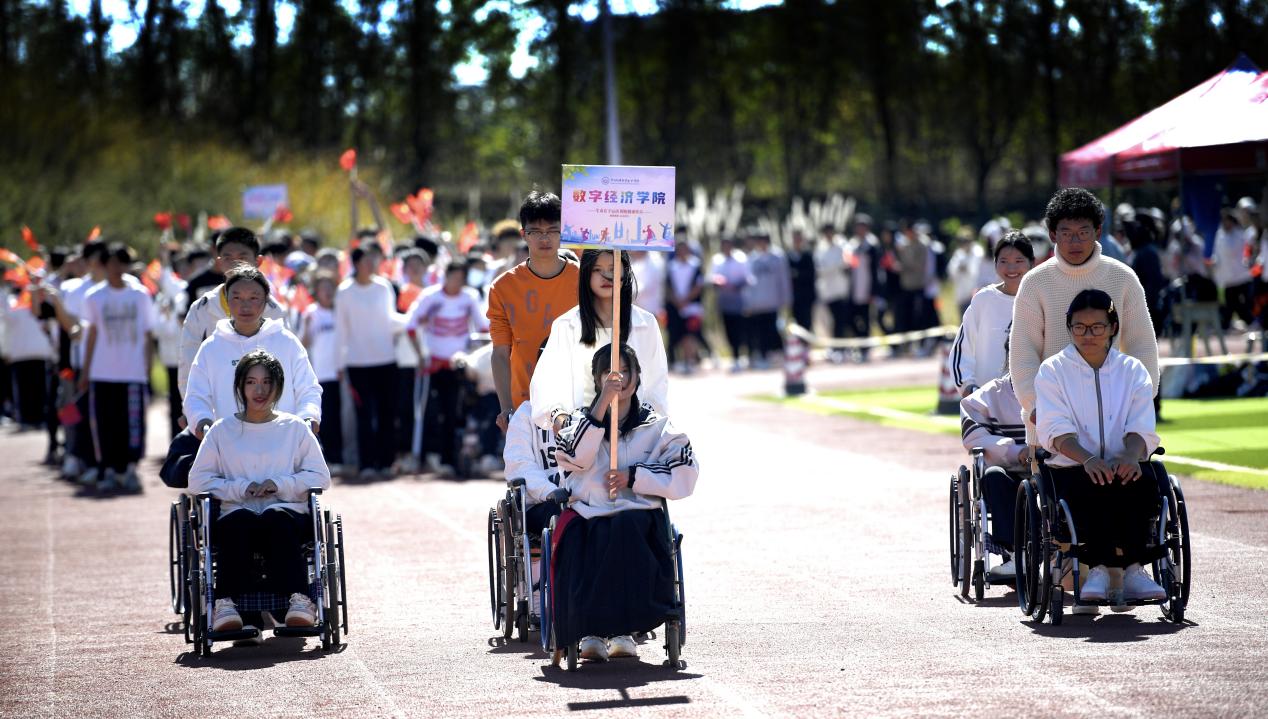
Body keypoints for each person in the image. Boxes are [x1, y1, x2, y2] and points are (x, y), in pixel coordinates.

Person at [551, 343, 699, 661]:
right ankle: (590, 632)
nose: (618, 378)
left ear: (637, 376)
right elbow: (574, 457)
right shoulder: (578, 422)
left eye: (625, 370)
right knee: (582, 535)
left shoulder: (657, 426)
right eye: (609, 372)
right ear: (597, 379)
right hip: (588, 514)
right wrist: (602, 406)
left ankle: (624, 631)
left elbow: (686, 473)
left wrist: (635, 476)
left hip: (638, 516)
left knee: (626, 528)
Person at [1035, 289, 1166, 604]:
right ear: (1069, 327)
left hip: (1125, 462)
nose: (1088, 335)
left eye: (1097, 327)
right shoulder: (1053, 370)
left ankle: (1134, 571)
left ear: (1112, 328)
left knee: (1144, 481)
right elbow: (1055, 429)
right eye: (1079, 327)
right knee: (1090, 482)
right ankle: (1097, 570)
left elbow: (1141, 424)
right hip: (1072, 466)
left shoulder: (1132, 370)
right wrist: (1088, 459)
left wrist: (1130, 457)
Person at [187, 350, 331, 632]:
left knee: (276, 518)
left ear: (278, 386)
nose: (260, 390)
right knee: (237, 522)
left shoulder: (295, 428)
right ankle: (225, 604)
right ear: (240, 386)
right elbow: (197, 480)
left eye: (267, 382)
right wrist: (240, 488)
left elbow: (320, 476)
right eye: (251, 382)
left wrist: (280, 484)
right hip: (238, 511)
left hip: (286, 512)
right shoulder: (221, 430)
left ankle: (299, 600)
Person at [1010, 187, 1159, 447]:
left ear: (1098, 231)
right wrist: (1037, 408)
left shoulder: (1123, 278)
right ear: (1053, 234)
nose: (1075, 242)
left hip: (1116, 427)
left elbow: (1142, 346)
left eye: (1083, 232)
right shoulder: (1034, 283)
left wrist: (1140, 406)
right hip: (1050, 427)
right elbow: (1024, 352)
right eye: (1066, 233)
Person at [531, 249, 669, 434]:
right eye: (597, 270)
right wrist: (565, 424)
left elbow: (657, 385)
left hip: (634, 435)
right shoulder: (565, 325)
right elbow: (546, 385)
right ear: (586, 274)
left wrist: (641, 428)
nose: (606, 276)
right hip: (581, 436)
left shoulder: (646, 323)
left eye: (613, 269)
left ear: (625, 272)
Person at [185, 265, 321, 440]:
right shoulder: (211, 347)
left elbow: (308, 388)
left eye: (254, 298)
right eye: (237, 298)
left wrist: (308, 416)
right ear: (226, 300)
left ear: (266, 300)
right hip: (230, 444)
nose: (245, 305)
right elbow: (196, 395)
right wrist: (202, 420)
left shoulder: (286, 342)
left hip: (283, 442)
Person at [487, 191, 580, 434]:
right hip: (525, 405)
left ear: (563, 232)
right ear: (523, 235)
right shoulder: (502, 287)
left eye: (552, 230)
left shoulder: (584, 280)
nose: (544, 238)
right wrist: (506, 408)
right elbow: (500, 353)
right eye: (536, 231)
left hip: (578, 403)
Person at [79, 243, 154, 493]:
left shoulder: (140, 295)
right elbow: (91, 334)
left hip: (132, 373)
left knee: (132, 425)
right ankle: (108, 470)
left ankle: (130, 469)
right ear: (104, 265)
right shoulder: (95, 297)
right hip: (103, 372)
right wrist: (85, 371)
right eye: (111, 262)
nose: (116, 268)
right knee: (104, 423)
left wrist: (147, 368)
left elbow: (148, 333)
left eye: (122, 262)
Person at [179, 228, 286, 398]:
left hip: (262, 403)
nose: (236, 264)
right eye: (228, 258)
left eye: (243, 257)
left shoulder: (273, 310)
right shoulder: (202, 309)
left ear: (258, 261)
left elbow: (285, 364)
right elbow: (188, 364)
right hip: (215, 403)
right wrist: (192, 406)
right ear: (219, 262)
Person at [405, 259, 486, 475]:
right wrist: (420, 355)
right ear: (446, 276)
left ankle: (450, 460)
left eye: (461, 278)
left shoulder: (469, 298)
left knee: (454, 413)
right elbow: (411, 325)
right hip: (433, 366)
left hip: (458, 365)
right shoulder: (431, 297)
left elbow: (483, 327)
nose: (457, 282)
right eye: (454, 277)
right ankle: (424, 457)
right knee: (429, 413)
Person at [959, 345, 1029, 580]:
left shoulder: (1057, 390)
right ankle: (1016, 555)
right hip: (1008, 470)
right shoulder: (990, 394)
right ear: (1010, 356)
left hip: (1049, 466)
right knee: (993, 476)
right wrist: (1015, 451)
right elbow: (973, 437)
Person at [335, 245, 403, 480]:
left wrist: (414, 319)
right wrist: (339, 364)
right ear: (355, 264)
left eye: (373, 260)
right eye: (366, 260)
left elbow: (391, 319)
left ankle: (387, 462)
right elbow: (341, 330)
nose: (371, 264)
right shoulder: (345, 291)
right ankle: (367, 464)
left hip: (386, 360)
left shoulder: (383, 287)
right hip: (357, 363)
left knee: (387, 413)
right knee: (364, 415)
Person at [948, 231, 1035, 396]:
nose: (1011, 268)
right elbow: (961, 350)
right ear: (995, 263)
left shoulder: (1041, 298)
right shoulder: (984, 299)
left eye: (1018, 261)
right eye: (1004, 261)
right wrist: (970, 389)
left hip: (1032, 401)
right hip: (987, 402)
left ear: (1032, 262)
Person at [301, 271, 343, 474]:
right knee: (327, 418)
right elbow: (304, 343)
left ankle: (343, 458)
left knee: (343, 418)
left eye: (330, 287)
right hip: (322, 373)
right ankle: (329, 459)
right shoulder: (311, 312)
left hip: (342, 373)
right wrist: (307, 326)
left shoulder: (341, 310)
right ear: (316, 291)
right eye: (323, 287)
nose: (327, 291)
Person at [743, 231, 791, 369]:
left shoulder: (777, 257)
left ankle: (780, 354)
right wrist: (748, 302)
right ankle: (764, 356)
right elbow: (749, 282)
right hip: (758, 304)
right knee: (760, 332)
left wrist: (785, 299)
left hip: (773, 301)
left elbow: (783, 279)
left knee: (774, 329)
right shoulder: (752, 258)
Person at [1212, 208, 1256, 329]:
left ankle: (1252, 322)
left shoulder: (1240, 235)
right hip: (1228, 278)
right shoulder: (1219, 236)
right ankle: (1229, 325)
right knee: (1231, 304)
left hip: (1242, 276)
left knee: (1245, 304)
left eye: (1228, 221)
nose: (1226, 224)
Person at [665, 240, 706, 373]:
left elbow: (699, 285)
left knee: (691, 334)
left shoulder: (696, 265)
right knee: (680, 335)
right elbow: (668, 287)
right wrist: (677, 301)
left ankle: (690, 360)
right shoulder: (671, 266)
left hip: (692, 307)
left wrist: (686, 300)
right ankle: (683, 360)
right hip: (675, 307)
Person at [711, 236, 749, 370]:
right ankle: (734, 356)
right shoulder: (717, 260)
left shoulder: (741, 258)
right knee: (728, 330)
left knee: (739, 329)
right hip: (724, 301)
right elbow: (712, 277)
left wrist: (734, 286)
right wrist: (718, 282)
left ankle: (741, 355)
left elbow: (746, 278)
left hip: (739, 301)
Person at [786, 229, 817, 333]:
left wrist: (797, 274)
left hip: (807, 295)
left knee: (807, 320)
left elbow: (812, 274)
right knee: (797, 319)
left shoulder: (808, 255)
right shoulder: (788, 256)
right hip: (794, 295)